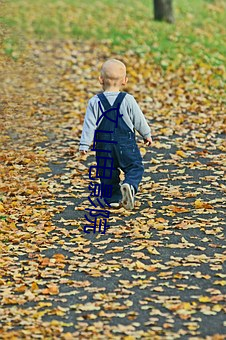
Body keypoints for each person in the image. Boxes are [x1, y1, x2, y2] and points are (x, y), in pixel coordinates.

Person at [79, 59, 152, 210]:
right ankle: (130, 185)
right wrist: (146, 134)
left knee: (107, 173)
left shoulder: (95, 102)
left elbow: (89, 125)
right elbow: (138, 119)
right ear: (125, 81)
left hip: (104, 146)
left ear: (100, 79)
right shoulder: (128, 100)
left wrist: (84, 144)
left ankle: (113, 199)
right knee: (135, 167)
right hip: (125, 143)